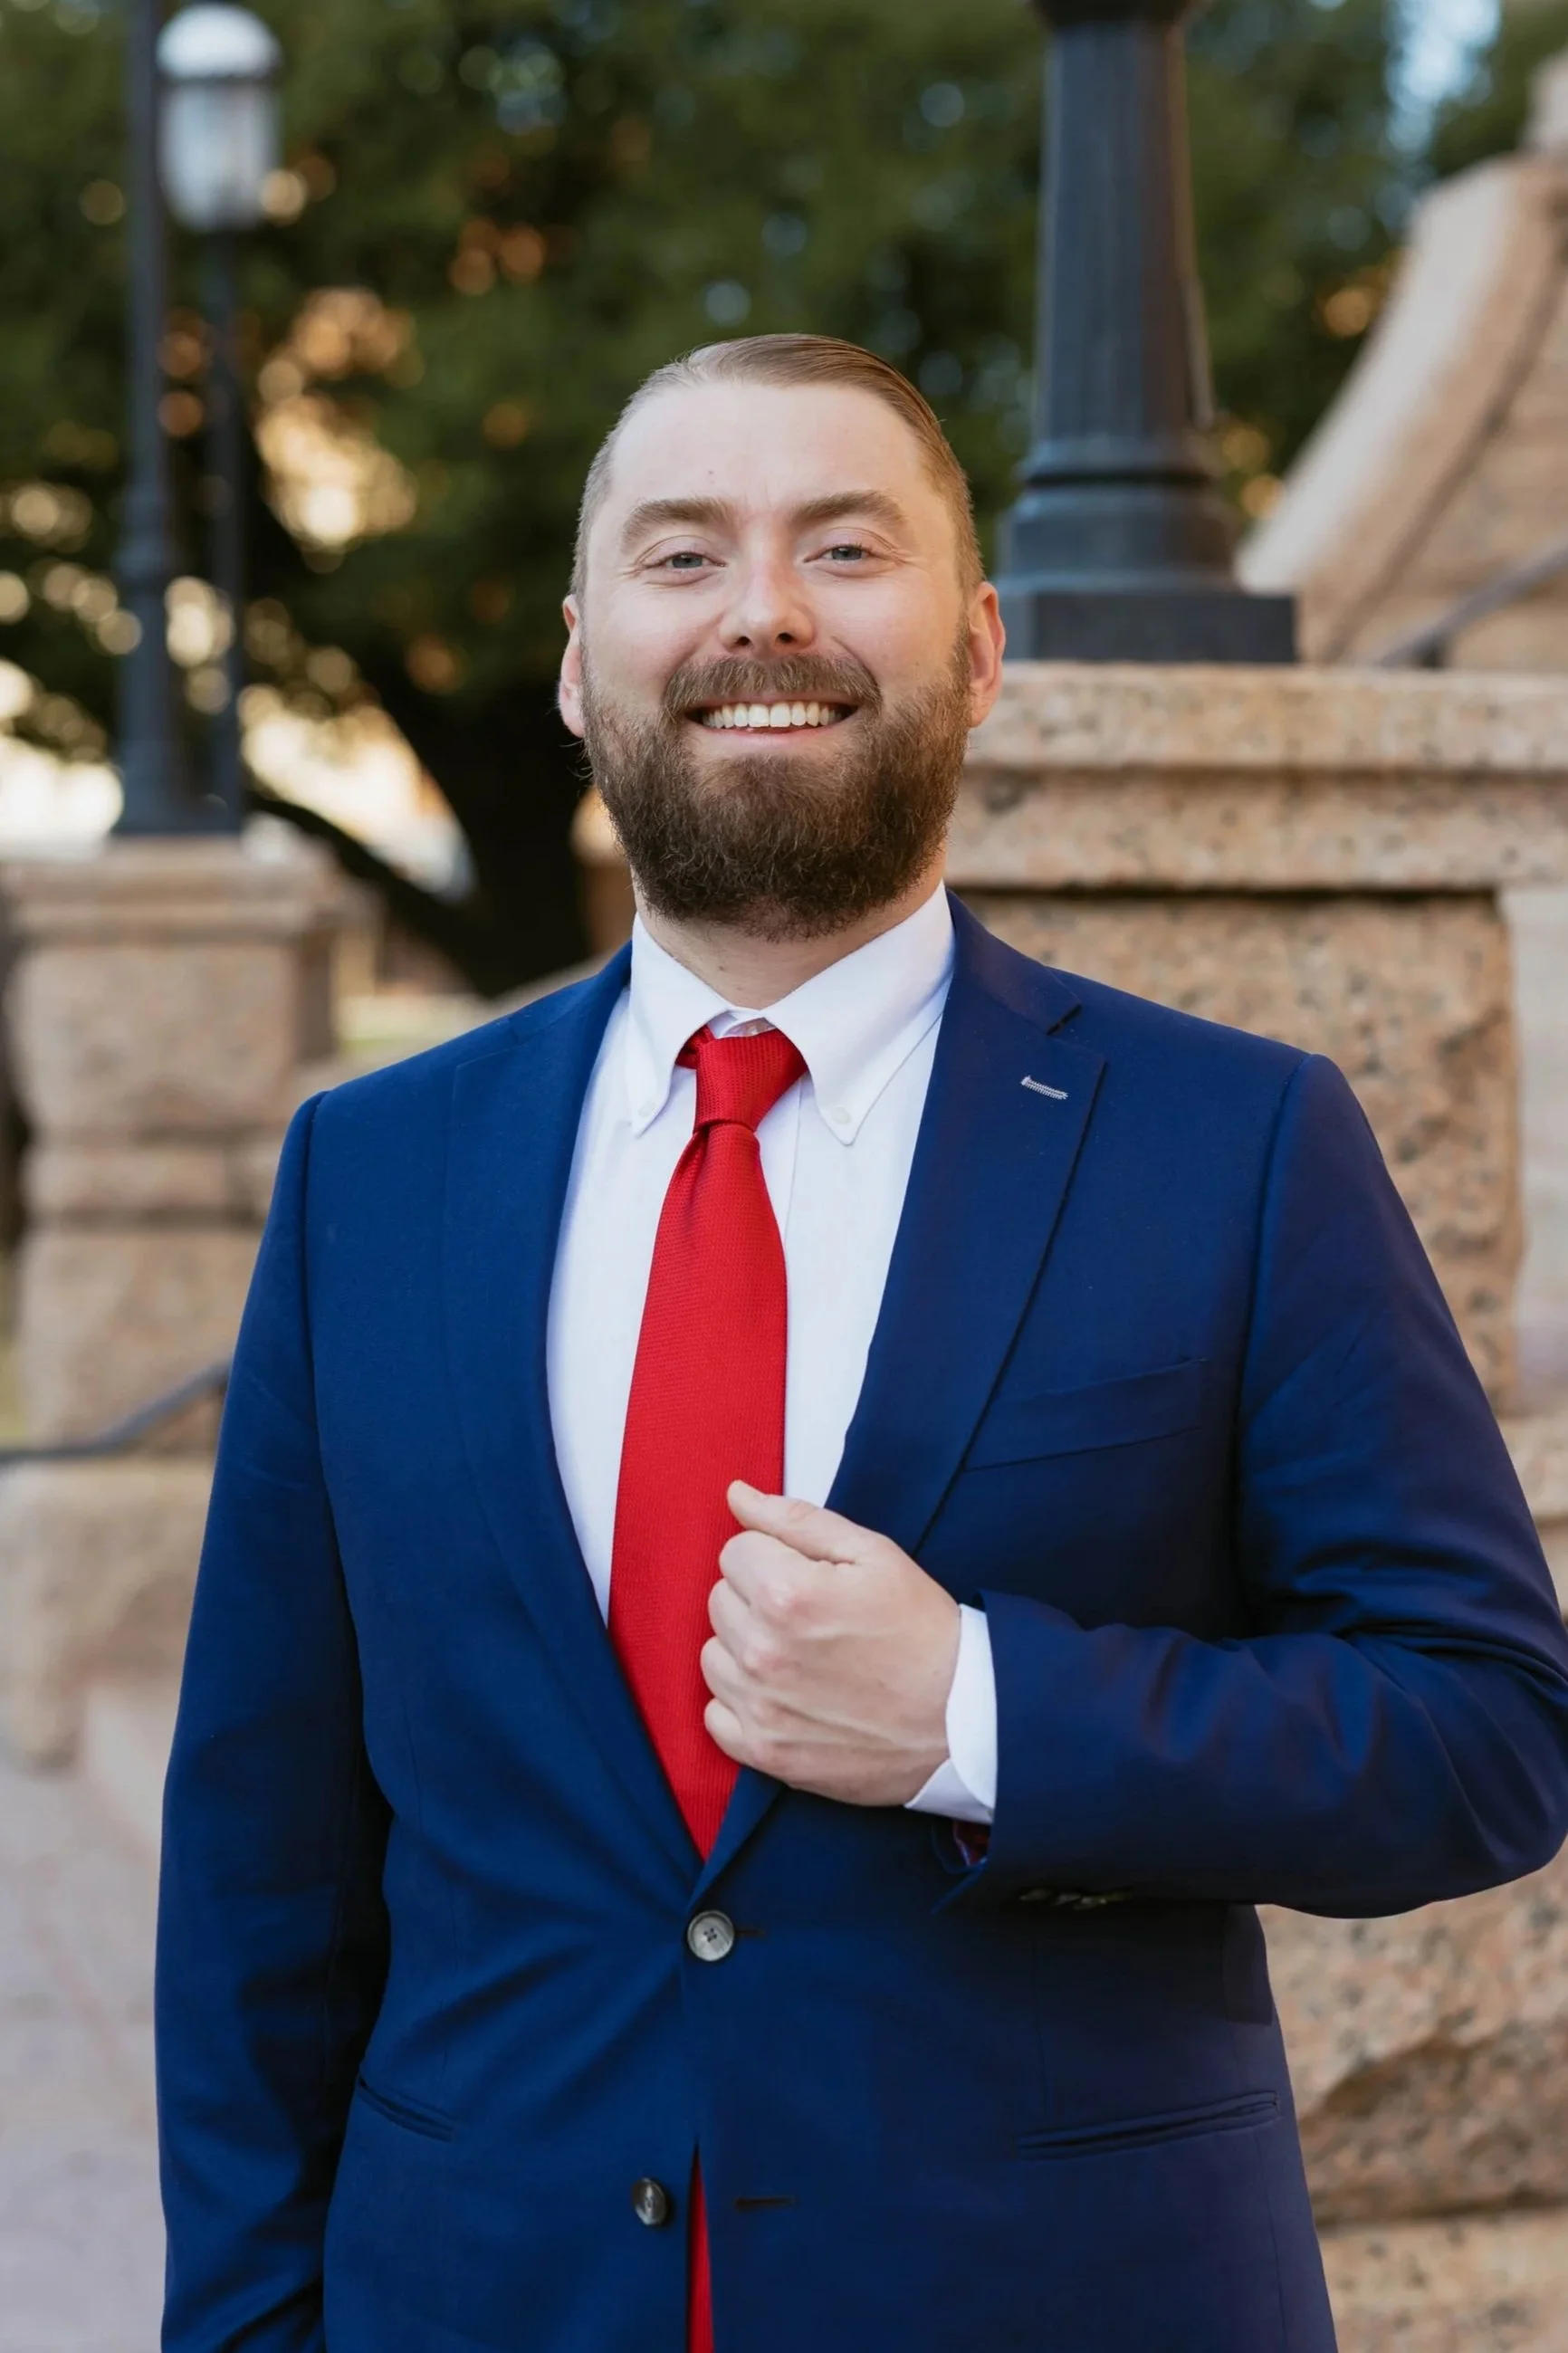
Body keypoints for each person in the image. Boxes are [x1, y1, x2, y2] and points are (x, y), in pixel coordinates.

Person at [156, 334, 1568, 2353]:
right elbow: (257, 1889)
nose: (763, 612)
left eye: (843, 543)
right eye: (682, 554)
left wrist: (976, 1712)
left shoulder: (1235, 1143)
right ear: (577, 661)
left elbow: (1483, 1737)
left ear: (977, 646)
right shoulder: (369, 1177)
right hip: (479, 2296)